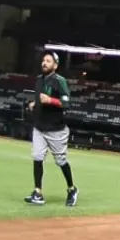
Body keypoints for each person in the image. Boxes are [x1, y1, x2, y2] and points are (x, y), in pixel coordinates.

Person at [23, 50, 78, 207]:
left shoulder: (60, 81)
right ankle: (38, 192)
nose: (44, 63)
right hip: (40, 127)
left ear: (55, 65)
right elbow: (40, 99)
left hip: (56, 130)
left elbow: (66, 103)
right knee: (37, 157)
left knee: (60, 161)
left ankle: (72, 189)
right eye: (43, 60)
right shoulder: (39, 80)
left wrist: (50, 100)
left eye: (48, 61)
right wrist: (35, 104)